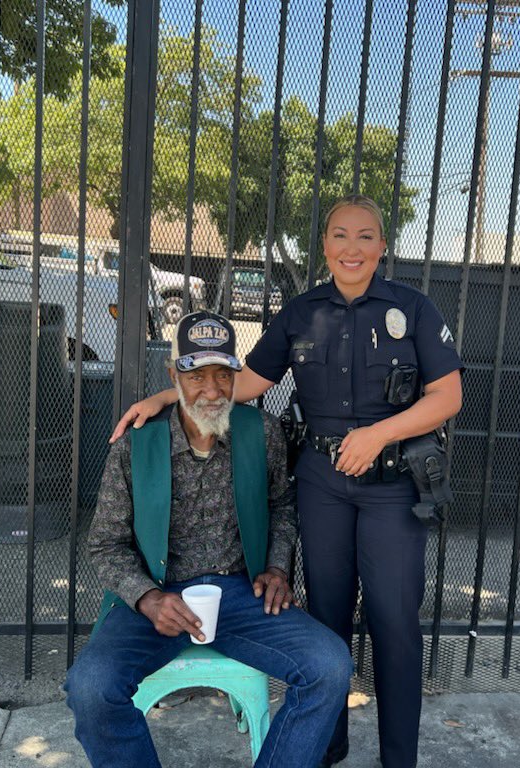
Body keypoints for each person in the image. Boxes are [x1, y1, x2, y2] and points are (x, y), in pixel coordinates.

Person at [111, 195, 463, 768]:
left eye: (366, 236)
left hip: (392, 484)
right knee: (326, 614)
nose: (353, 248)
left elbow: (447, 397)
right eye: (341, 236)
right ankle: (328, 747)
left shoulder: (413, 308)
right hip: (322, 483)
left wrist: (378, 434)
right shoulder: (302, 312)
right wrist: (160, 398)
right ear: (324, 245)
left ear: (381, 245)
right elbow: (247, 380)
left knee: (394, 621)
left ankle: (400, 758)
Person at [66, 310, 353, 768]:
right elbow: (104, 543)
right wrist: (146, 598)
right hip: (157, 599)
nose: (213, 389)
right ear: (174, 375)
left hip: (241, 595)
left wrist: (277, 566)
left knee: (330, 666)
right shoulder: (137, 443)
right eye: (197, 374)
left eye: (223, 374)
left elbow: (282, 506)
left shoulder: (261, 432)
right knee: (90, 688)